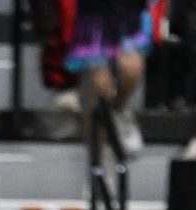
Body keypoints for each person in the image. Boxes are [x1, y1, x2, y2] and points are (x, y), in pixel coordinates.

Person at [66, 0, 159, 155]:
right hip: (94, 15)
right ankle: (97, 153)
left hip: (131, 12)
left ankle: (120, 110)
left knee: (131, 69)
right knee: (100, 88)